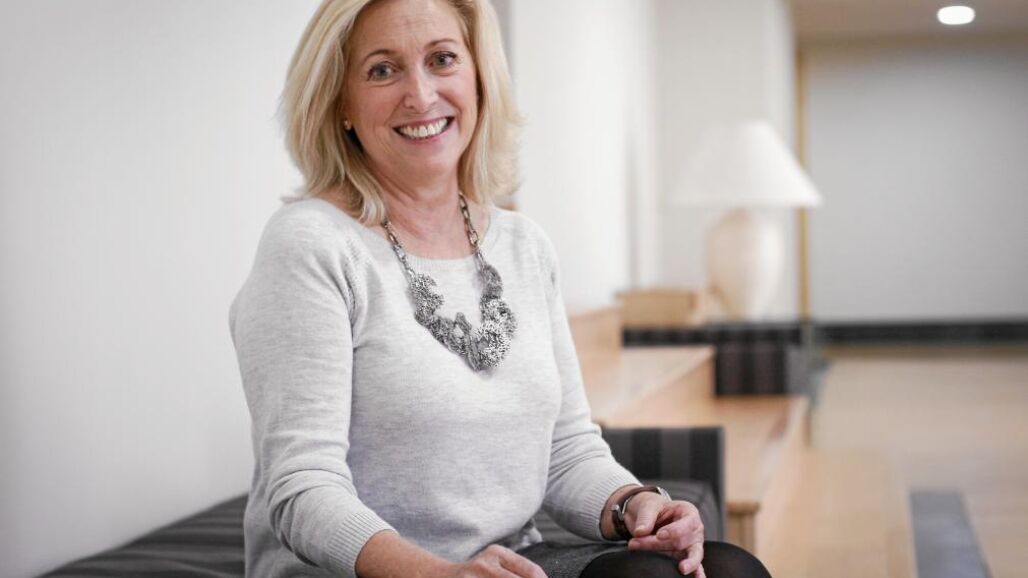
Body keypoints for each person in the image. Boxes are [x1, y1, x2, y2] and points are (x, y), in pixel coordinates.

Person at [228, 0, 774, 577]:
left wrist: (636, 505)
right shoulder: (310, 244)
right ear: (341, 103)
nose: (420, 95)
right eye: (382, 70)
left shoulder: (523, 245)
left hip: (514, 562)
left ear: (479, 79)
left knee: (728, 568)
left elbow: (565, 450)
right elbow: (302, 487)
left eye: (442, 59)